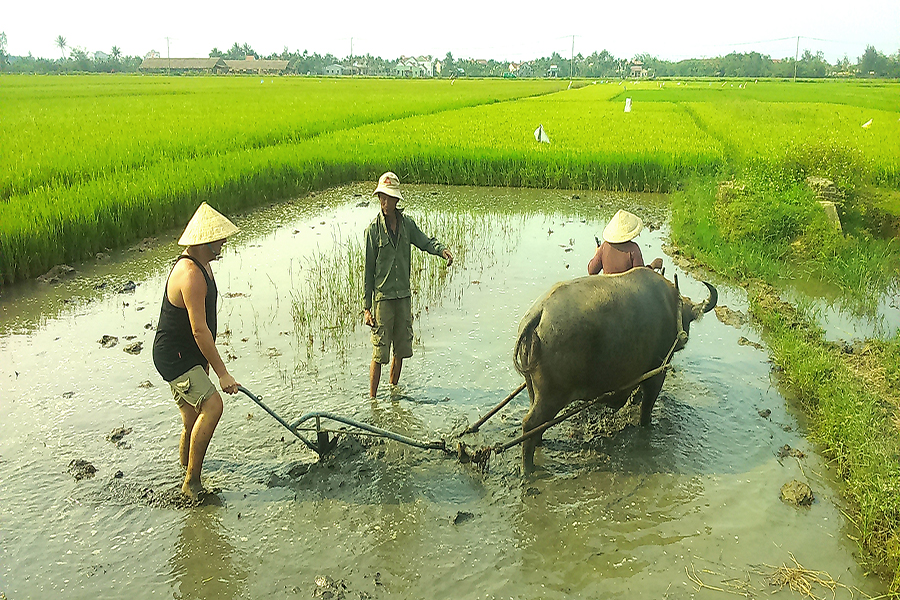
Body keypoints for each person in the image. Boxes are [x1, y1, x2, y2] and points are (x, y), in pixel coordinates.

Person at [152, 202, 241, 501]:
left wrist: (203, 361)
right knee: (213, 406)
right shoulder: (190, 274)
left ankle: (184, 468)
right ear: (204, 242)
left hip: (185, 354)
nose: (224, 242)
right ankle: (191, 483)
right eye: (219, 238)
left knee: (192, 417)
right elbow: (199, 330)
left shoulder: (204, 267)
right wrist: (223, 373)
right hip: (174, 357)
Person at [363, 172, 453, 399]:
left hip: (402, 296)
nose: (384, 202)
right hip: (382, 298)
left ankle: (393, 394)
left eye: (388, 197)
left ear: (396, 200)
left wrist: (441, 250)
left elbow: (424, 241)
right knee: (379, 353)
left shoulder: (407, 225)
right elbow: (368, 272)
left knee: (401, 349)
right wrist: (366, 307)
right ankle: (372, 401)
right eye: (381, 197)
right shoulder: (373, 231)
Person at [587, 209, 663, 275]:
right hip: (628, 290)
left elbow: (591, 271)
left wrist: (597, 253)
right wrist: (653, 265)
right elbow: (641, 276)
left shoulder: (604, 247)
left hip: (608, 289)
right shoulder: (633, 249)